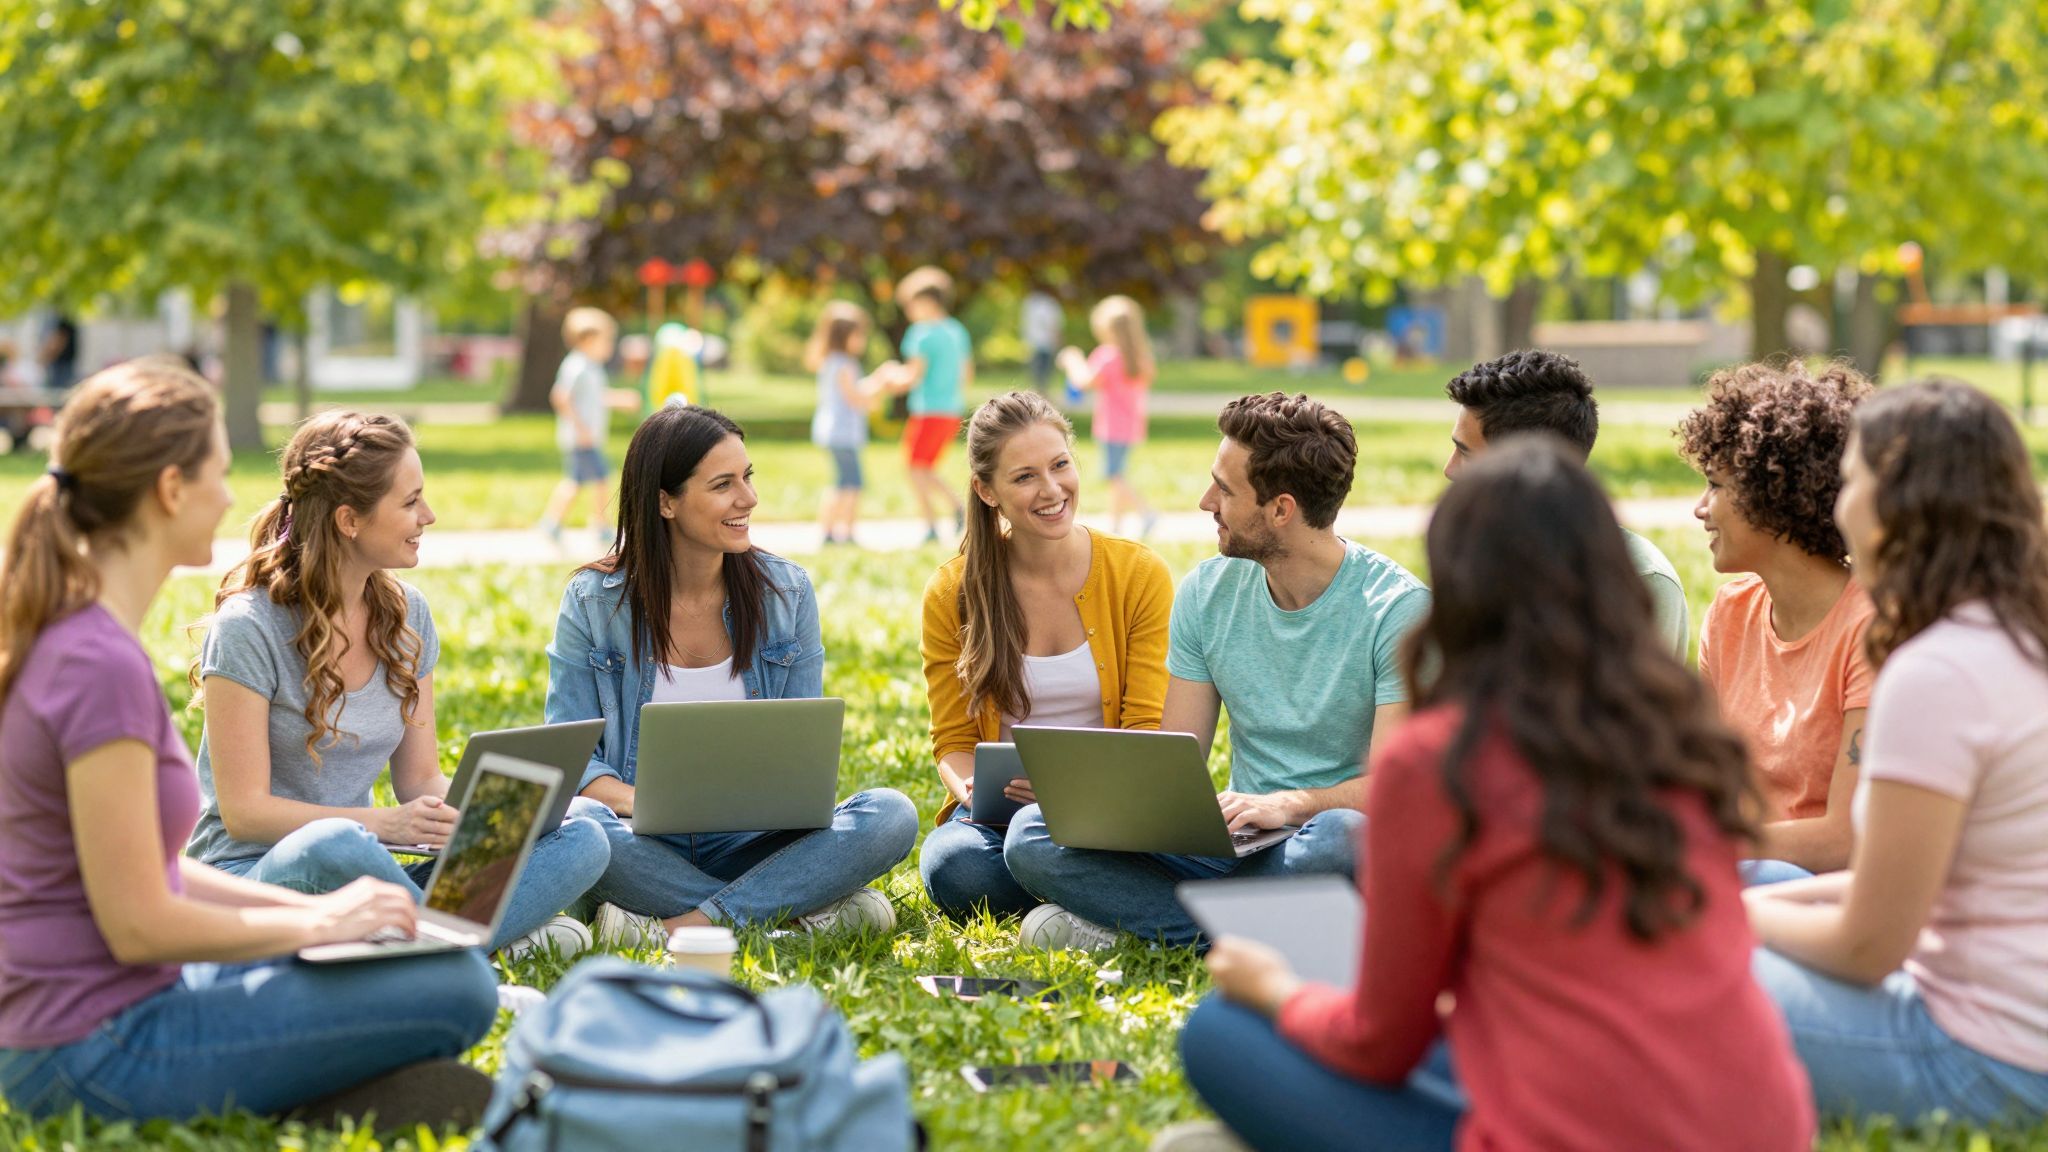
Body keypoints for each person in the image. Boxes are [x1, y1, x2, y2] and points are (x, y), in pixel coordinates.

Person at [1169, 436, 1814, 1152]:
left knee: (1220, 1030)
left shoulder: (1442, 759)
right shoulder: (1682, 733)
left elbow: (1377, 1043)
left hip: (1575, 1127)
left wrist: (1277, 989)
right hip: (1762, 1126)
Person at [0, 359, 497, 1124]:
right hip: (90, 1047)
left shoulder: (79, 638)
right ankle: (314, 1097)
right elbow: (138, 921)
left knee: (401, 962)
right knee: (461, 988)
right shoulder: (98, 664)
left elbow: (156, 874)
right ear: (171, 489)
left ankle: (315, 1082)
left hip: (107, 1011)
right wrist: (313, 921)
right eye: (220, 472)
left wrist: (335, 919)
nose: (233, 497)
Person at [1003, 393, 1428, 951]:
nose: (1206, 502)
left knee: (1342, 839)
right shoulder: (1207, 592)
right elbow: (1177, 758)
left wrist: (1291, 804)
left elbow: (1394, 794)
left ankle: (1162, 923)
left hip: (1318, 835)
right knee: (1030, 835)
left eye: (1224, 490)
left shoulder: (1397, 611)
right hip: (1235, 840)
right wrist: (1091, 799)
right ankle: (1236, 934)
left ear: (1281, 509)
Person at [185, 411, 610, 958]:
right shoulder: (249, 626)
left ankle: (423, 944)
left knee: (584, 830)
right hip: (259, 874)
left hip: (370, 868)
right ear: (349, 520)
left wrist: (490, 816)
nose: (428, 516)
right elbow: (246, 813)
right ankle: (465, 942)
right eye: (410, 502)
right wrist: (383, 825)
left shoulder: (409, 616)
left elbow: (420, 781)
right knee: (334, 845)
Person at [1749, 379, 2048, 1125]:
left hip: (1984, 1063)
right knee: (1739, 887)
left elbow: (1869, 945)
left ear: (1894, 507)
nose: (1837, 508)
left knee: (1658, 966)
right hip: (2014, 1030)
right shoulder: (2015, 636)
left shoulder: (1938, 671)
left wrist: (1720, 917)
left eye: (1850, 482)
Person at [545, 404, 918, 945]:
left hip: (755, 839)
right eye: (723, 484)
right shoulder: (593, 601)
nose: (748, 498)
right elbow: (572, 758)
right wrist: (643, 801)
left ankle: (681, 926)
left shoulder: (785, 593)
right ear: (665, 502)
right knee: (580, 826)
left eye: (747, 477)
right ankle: (788, 910)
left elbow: (800, 758)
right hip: (638, 836)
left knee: (891, 813)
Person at [917, 392, 1172, 921]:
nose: (1052, 490)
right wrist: (972, 792)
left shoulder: (1138, 574)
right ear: (987, 491)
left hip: (1115, 812)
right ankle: (1100, 899)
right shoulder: (952, 592)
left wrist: (1075, 796)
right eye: (1025, 476)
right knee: (953, 866)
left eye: (1060, 465)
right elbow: (954, 742)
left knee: (1038, 847)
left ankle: (1075, 898)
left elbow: (1148, 728)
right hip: (1003, 823)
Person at [1679, 361, 1873, 884]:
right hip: (1741, 872)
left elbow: (1846, 839)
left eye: (1715, 485)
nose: (1701, 508)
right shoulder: (1728, 615)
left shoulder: (1872, 629)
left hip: (1823, 896)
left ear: (1775, 493)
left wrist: (1699, 845)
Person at [1442, 348, 1688, 657]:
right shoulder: (1467, 560)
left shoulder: (1638, 580)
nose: (1449, 470)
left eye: (1466, 453)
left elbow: (1638, 703)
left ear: (1529, 465)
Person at [880, 267, 971, 543]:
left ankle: (934, 522)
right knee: (924, 466)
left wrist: (888, 378)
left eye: (910, 304)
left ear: (927, 302)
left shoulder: (920, 334)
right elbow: (967, 374)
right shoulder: (957, 331)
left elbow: (912, 375)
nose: (908, 311)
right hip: (951, 410)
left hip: (927, 410)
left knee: (914, 468)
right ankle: (954, 508)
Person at [1058, 295, 1159, 538]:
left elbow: (1083, 382)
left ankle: (1146, 512)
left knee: (1113, 474)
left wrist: (1071, 360)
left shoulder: (1108, 355)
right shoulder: (1139, 357)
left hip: (1112, 427)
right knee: (1118, 473)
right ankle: (1116, 524)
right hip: (1131, 426)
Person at [537, 307, 618, 550]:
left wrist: (620, 399)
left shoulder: (592, 367)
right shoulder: (577, 365)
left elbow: (595, 398)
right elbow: (560, 396)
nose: (610, 346)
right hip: (581, 438)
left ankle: (553, 522)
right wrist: (580, 428)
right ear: (588, 339)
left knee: (577, 481)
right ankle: (599, 524)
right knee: (599, 478)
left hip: (588, 438)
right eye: (607, 340)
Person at [806, 301, 885, 546]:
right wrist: (881, 382)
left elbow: (848, 395)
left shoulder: (830, 362)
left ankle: (829, 531)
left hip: (831, 431)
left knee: (840, 482)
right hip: (843, 434)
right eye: (859, 334)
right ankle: (846, 533)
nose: (863, 340)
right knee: (852, 484)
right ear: (845, 336)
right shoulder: (846, 364)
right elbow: (855, 397)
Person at [1021, 287, 1063, 396]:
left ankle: (1036, 393)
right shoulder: (1050, 305)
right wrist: (1058, 339)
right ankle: (1042, 393)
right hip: (1046, 342)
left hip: (1033, 342)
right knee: (1044, 372)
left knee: (1036, 371)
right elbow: (1053, 325)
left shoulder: (1030, 304)